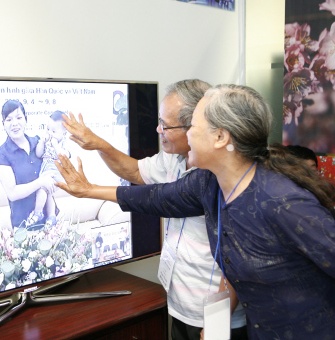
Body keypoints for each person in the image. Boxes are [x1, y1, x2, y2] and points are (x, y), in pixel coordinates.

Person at [54, 84, 335, 340]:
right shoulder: (207, 184)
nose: (187, 134)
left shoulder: (281, 201)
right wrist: (88, 191)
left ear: (220, 137)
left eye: (193, 125)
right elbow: (156, 197)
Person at [61, 79, 248, 340]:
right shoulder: (173, 158)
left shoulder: (223, 178)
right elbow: (137, 175)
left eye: (166, 125)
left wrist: (216, 327)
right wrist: (99, 146)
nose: (158, 129)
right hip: (180, 304)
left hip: (216, 317)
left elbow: (234, 262)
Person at [0, 100, 56, 230]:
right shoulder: (2, 154)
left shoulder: (38, 143)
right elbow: (12, 193)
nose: (14, 124)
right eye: (9, 120)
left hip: (50, 224)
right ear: (3, 124)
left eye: (19, 118)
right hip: (24, 228)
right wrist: (41, 182)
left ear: (26, 119)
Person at [31, 110, 71, 226]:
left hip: (56, 173)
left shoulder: (64, 143)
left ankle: (38, 213)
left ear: (64, 132)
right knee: (48, 193)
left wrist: (55, 144)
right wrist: (41, 143)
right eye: (48, 129)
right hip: (45, 171)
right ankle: (51, 217)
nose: (50, 133)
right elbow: (39, 154)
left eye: (54, 131)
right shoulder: (46, 141)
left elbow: (63, 156)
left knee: (42, 188)